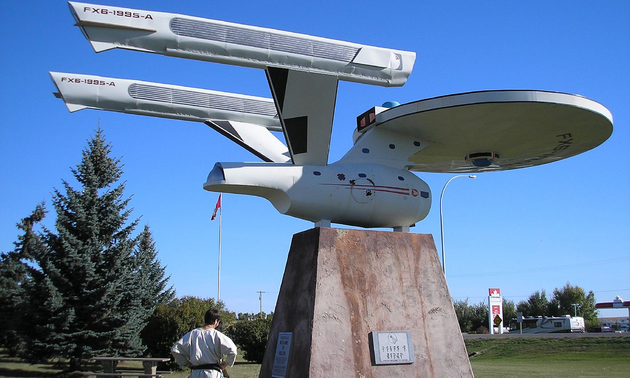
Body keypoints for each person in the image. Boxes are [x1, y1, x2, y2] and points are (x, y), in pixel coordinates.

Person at [171, 309, 238, 378]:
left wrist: (186, 363)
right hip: (212, 374)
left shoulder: (192, 334)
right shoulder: (217, 335)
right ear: (216, 321)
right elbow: (233, 351)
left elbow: (175, 350)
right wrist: (225, 363)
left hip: (195, 373)